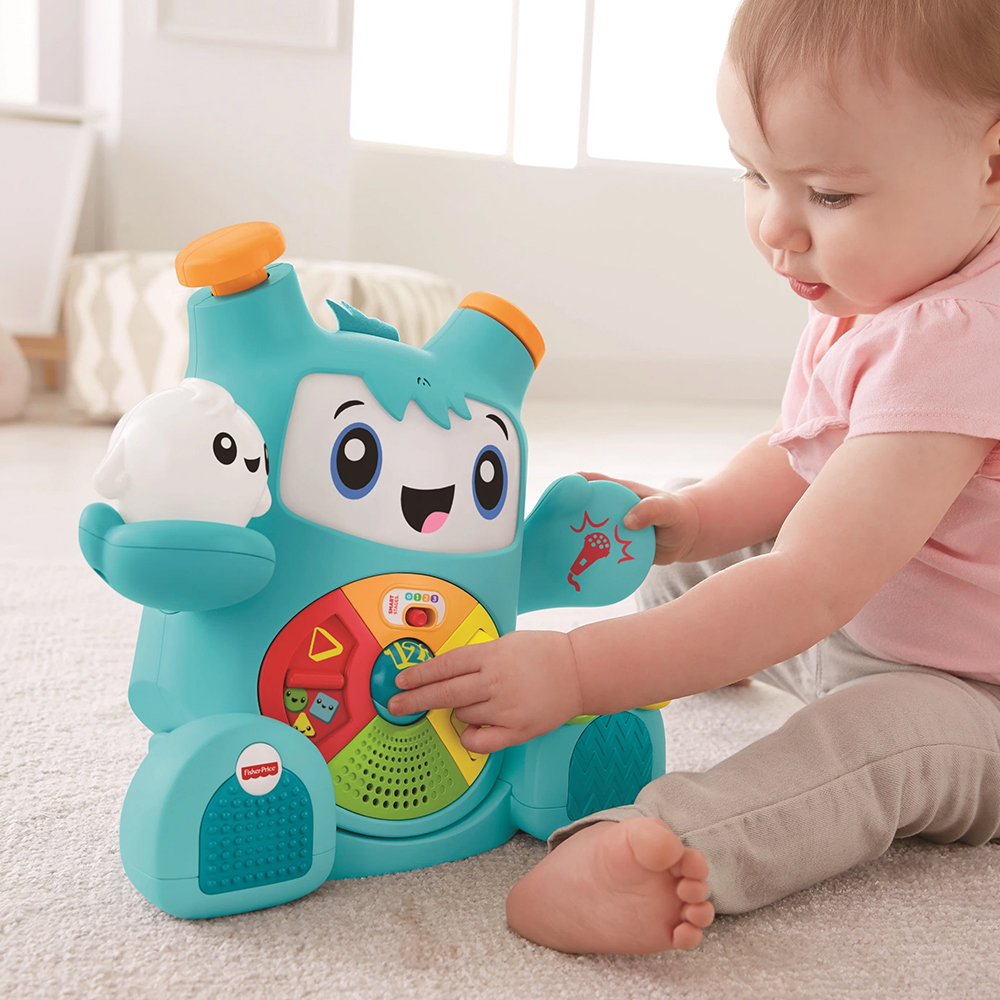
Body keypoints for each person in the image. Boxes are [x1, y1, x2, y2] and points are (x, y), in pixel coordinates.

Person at [388, 0, 1000, 954]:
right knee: (697, 551)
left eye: (830, 195)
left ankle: (675, 843)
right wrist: (702, 516)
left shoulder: (965, 338)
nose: (776, 227)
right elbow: (805, 449)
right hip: (870, 619)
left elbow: (811, 582)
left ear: (992, 166)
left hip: (969, 696)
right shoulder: (884, 284)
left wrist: (579, 671)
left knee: (869, 743)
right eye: (752, 175)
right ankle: (708, 623)